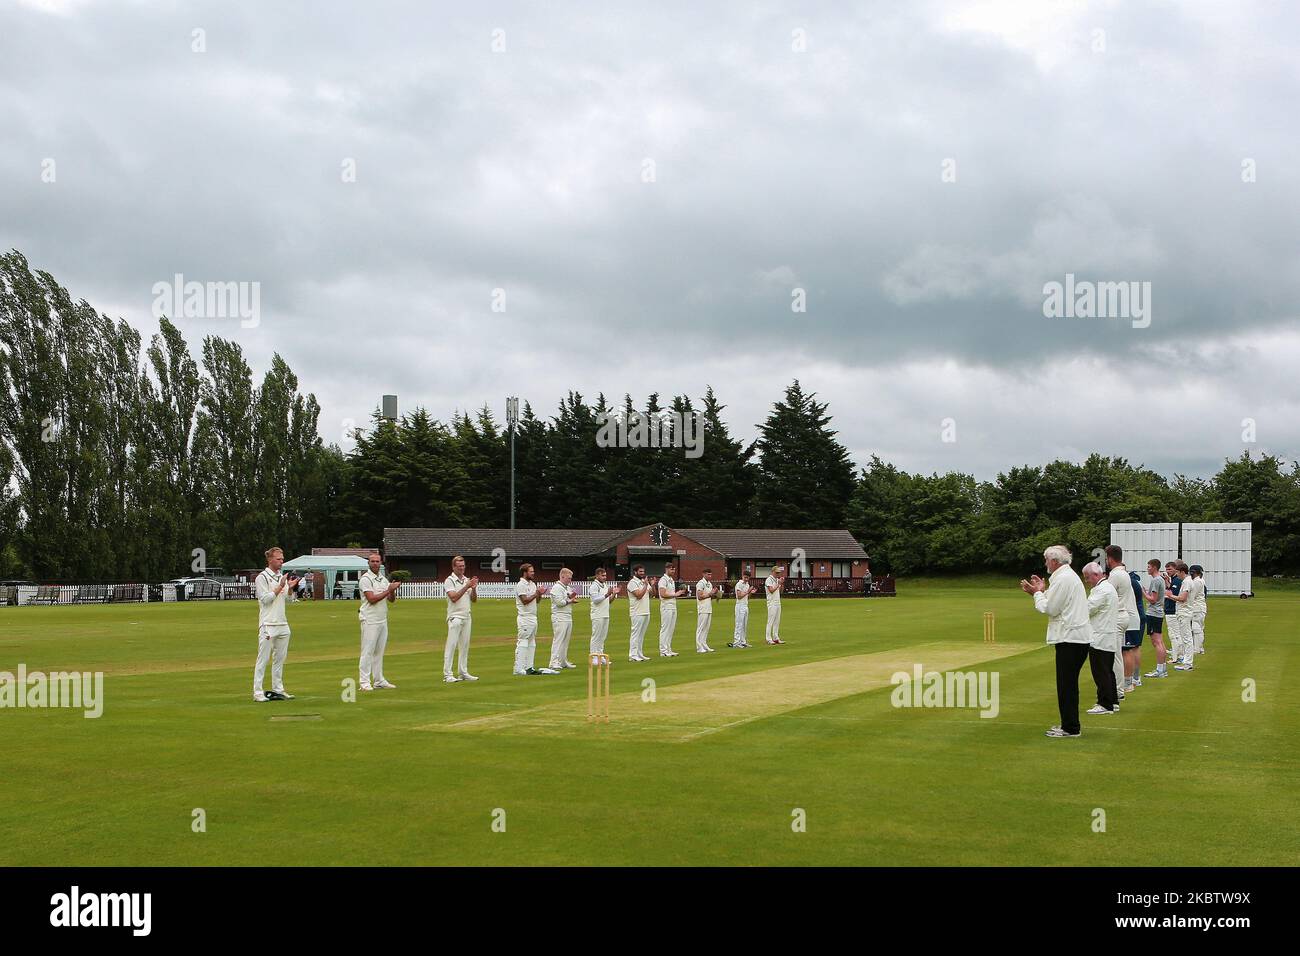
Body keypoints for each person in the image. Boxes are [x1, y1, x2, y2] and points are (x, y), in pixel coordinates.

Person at [1021, 545, 1092, 738]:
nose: (1045, 563)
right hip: (1074, 637)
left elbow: (1050, 608)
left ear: (1054, 561)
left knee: (1066, 685)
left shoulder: (1064, 579)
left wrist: (1036, 593)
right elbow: (1054, 604)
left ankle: (1070, 728)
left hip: (1071, 638)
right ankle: (1068, 724)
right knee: (1067, 684)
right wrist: (1040, 591)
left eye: (1046, 559)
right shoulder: (1065, 577)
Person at [253, 546, 300, 702]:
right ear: (270, 559)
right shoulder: (262, 577)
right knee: (263, 659)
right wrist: (280, 586)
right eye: (279, 559)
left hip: (282, 623)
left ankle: (278, 689)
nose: (282, 561)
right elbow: (265, 600)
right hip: (268, 624)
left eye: (282, 559)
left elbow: (289, 600)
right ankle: (258, 692)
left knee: (280, 659)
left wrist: (290, 588)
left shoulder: (281, 576)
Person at [1082, 562, 1120, 715]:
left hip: (1100, 635)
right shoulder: (1106, 587)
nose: (1086, 581)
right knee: (1107, 670)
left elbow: (1087, 609)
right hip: (1106, 634)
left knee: (1101, 671)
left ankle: (1105, 703)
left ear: (1097, 575)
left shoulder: (1101, 590)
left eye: (1087, 577)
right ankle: (1113, 700)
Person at [359, 552, 400, 691]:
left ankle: (378, 680)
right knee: (367, 651)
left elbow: (392, 600)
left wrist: (392, 591)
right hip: (370, 619)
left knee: (379, 652)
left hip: (382, 619)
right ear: (368, 563)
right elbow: (372, 599)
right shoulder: (365, 579)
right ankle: (364, 682)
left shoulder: (383, 579)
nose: (375, 564)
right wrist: (388, 590)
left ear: (381, 563)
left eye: (377, 561)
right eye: (373, 561)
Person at [1104, 545, 1137, 700]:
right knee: (1115, 654)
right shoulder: (1122, 573)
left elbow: (1106, 596)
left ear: (1110, 558)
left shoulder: (1116, 575)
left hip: (1117, 617)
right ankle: (1117, 689)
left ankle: (1118, 690)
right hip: (1121, 616)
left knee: (1115, 655)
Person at [443, 555, 478, 683]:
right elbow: (453, 597)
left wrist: (473, 589)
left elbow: (474, 600)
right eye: (459, 566)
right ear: (454, 567)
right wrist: (466, 586)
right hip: (455, 617)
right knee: (451, 645)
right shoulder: (449, 580)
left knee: (464, 646)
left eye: (463, 566)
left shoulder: (466, 580)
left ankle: (463, 672)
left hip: (467, 616)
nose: (462, 569)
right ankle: (447, 675)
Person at [513, 563, 550, 675]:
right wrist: (536, 593)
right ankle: (518, 668)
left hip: (533, 616)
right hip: (524, 617)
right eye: (531, 571)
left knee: (532, 642)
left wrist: (540, 594)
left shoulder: (533, 584)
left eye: (533, 571)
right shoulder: (520, 585)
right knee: (523, 641)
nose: (533, 573)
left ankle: (529, 667)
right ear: (525, 572)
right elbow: (524, 601)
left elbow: (536, 601)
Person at [1142, 559, 1170, 678]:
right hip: (1158, 613)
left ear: (1154, 567)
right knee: (1160, 641)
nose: (1147, 568)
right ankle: (1162, 669)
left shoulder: (1156, 580)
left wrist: (1143, 592)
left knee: (1156, 642)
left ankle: (1159, 670)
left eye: (1149, 566)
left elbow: (1153, 599)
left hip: (1153, 613)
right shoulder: (1160, 580)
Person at [1165, 562, 1195, 670]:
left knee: (1187, 638)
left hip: (1185, 612)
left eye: (1177, 572)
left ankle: (1188, 663)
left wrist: (1170, 596)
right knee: (1186, 637)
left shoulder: (1187, 582)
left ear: (1182, 571)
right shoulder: (1186, 581)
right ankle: (1187, 661)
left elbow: (1182, 598)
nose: (1176, 574)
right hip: (1184, 612)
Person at [549, 568, 580, 669]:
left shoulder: (567, 588)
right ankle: (553, 661)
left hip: (567, 616)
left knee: (565, 640)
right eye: (568, 578)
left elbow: (568, 597)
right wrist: (570, 601)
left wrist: (572, 598)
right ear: (562, 576)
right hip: (559, 616)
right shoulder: (557, 587)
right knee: (558, 639)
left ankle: (563, 661)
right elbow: (559, 603)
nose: (570, 580)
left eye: (571, 578)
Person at [657, 562, 686, 658]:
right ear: (666, 569)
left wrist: (679, 593)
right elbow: (662, 594)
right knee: (665, 628)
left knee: (671, 628)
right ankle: (663, 650)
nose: (673, 570)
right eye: (671, 569)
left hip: (673, 605)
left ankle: (668, 648)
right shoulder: (663, 580)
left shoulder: (671, 580)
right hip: (666, 606)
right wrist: (676, 594)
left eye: (674, 569)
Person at [589, 567, 618, 656]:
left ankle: (600, 656)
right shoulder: (594, 585)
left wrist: (613, 594)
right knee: (596, 637)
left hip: (605, 614)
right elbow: (595, 600)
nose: (605, 577)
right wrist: (607, 594)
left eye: (605, 575)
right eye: (602, 575)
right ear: (597, 575)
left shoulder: (605, 585)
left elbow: (608, 601)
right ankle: (594, 657)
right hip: (597, 615)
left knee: (602, 637)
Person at [695, 568, 719, 653]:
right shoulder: (700, 583)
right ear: (703, 574)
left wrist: (716, 595)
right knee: (700, 628)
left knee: (706, 628)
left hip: (709, 608)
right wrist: (710, 594)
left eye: (711, 574)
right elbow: (700, 596)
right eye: (708, 574)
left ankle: (704, 644)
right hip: (702, 608)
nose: (710, 576)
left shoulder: (709, 584)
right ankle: (699, 647)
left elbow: (709, 597)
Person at [729, 569, 752, 648]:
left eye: (747, 578)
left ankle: (743, 641)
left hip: (745, 605)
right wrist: (748, 592)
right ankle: (736, 642)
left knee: (744, 624)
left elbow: (747, 597)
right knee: (739, 624)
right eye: (745, 577)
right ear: (742, 576)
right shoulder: (739, 584)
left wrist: (751, 593)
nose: (746, 579)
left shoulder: (747, 585)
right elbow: (739, 596)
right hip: (739, 606)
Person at [765, 565, 786, 644]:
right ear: (773, 572)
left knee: (777, 621)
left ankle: (775, 637)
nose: (778, 574)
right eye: (777, 573)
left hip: (778, 602)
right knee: (770, 621)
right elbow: (771, 590)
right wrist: (778, 584)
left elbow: (781, 591)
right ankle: (768, 638)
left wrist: (781, 584)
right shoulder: (769, 580)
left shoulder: (777, 580)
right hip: (771, 603)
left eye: (779, 573)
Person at [1189, 565, 1208, 655]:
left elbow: (1192, 596)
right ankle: (1199, 648)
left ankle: (1197, 649)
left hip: (1197, 608)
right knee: (1198, 628)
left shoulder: (1197, 581)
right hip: (1198, 607)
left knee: (1196, 628)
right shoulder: (1198, 581)